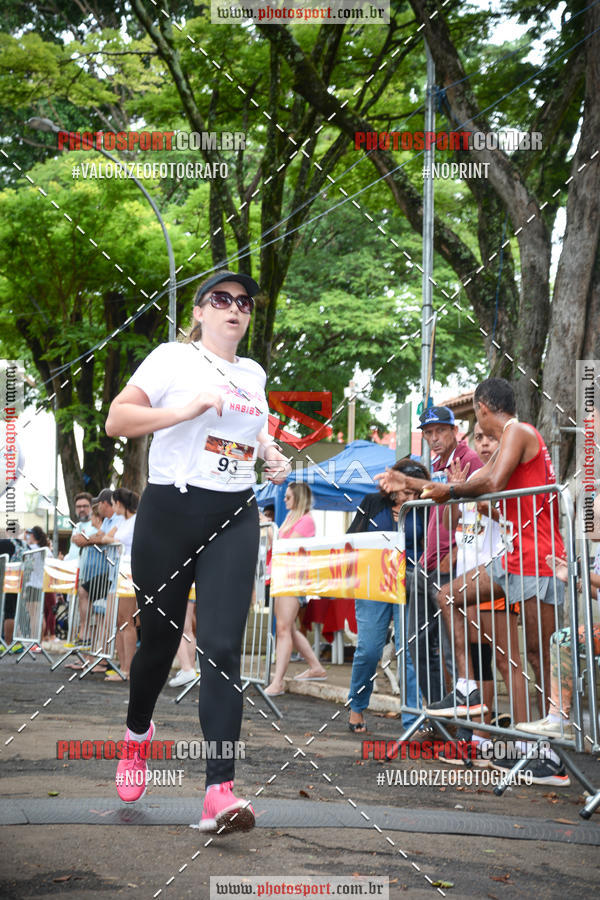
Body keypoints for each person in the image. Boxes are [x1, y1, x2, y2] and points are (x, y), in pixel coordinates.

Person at [105, 269, 290, 833]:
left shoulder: (253, 373)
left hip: (232, 512)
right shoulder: (172, 359)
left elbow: (246, 432)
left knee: (220, 645)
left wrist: (269, 450)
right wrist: (186, 409)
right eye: (222, 299)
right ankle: (138, 735)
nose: (235, 308)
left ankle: (219, 792)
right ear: (201, 311)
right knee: (158, 644)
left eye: (245, 303)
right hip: (170, 511)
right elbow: (117, 419)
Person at [402, 406, 482, 707]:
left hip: (453, 567)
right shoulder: (438, 463)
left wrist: (458, 553)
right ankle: (437, 712)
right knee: (416, 641)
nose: (433, 438)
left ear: (454, 431)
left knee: (454, 649)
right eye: (428, 433)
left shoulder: (469, 460)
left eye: (439, 431)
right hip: (429, 564)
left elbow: (476, 514)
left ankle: (463, 720)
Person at [347, 458, 428, 734]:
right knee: (368, 648)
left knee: (409, 651)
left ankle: (412, 720)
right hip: (373, 583)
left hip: (410, 585)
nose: (408, 497)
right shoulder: (371, 502)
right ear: (391, 486)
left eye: (413, 492)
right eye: (403, 491)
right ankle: (357, 705)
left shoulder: (424, 509)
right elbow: (352, 539)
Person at [264, 483, 326, 695]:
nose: (284, 500)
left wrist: (267, 525)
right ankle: (315, 667)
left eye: (288, 497)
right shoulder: (291, 518)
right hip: (282, 575)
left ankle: (278, 681)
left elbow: (285, 547)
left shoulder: (306, 520)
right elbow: (278, 545)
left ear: (297, 498)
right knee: (287, 628)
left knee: (283, 628)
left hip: (292, 577)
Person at [96, 488, 139, 681]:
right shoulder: (126, 521)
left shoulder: (136, 521)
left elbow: (109, 538)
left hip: (130, 573)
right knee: (120, 620)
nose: (112, 507)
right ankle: (124, 667)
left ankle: (128, 669)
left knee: (126, 620)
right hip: (120, 573)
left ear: (120, 504)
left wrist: (111, 540)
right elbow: (105, 537)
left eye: (114, 503)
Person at [63, 493, 95, 561]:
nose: (82, 509)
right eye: (78, 506)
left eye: (85, 506)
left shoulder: (97, 525)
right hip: (71, 568)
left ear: (91, 507)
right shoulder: (76, 526)